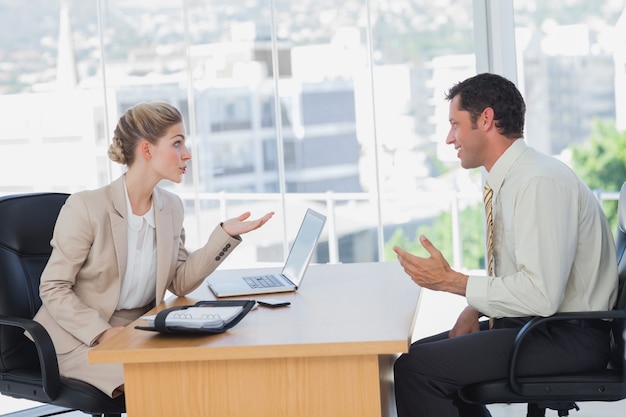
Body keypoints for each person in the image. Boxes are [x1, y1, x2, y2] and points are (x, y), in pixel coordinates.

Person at [392, 73, 618, 417]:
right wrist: (476, 308)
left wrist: (454, 282)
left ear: (485, 119)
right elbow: (523, 275)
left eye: (455, 124)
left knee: (419, 370)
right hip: (541, 325)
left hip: (568, 337)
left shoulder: (537, 183)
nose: (450, 137)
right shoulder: (515, 178)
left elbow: (541, 295)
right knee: (417, 356)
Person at [31, 101, 274, 398]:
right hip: (79, 338)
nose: (187, 154)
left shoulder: (170, 207)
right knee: (165, 382)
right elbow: (53, 287)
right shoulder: (87, 208)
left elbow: (179, 281)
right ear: (147, 150)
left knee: (214, 367)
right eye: (177, 143)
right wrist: (103, 332)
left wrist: (223, 236)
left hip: (137, 330)